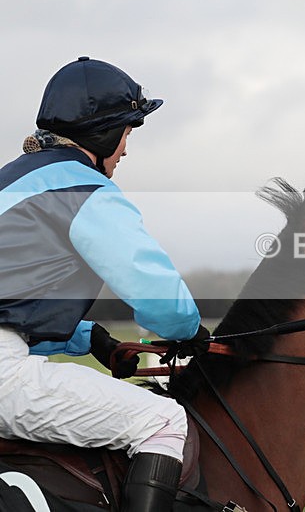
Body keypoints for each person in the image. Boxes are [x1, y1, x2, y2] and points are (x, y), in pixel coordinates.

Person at [0, 57, 209, 511]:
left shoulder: (11, 181)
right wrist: (188, 331)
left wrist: (90, 338)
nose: (126, 151)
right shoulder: (83, 189)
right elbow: (154, 290)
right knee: (164, 422)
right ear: (103, 134)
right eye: (128, 134)